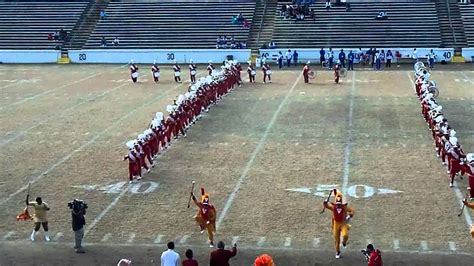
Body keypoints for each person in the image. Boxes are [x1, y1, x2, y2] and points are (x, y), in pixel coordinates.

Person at [323, 190, 355, 259]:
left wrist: (349, 215)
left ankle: (344, 242)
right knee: (336, 239)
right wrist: (325, 202)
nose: (338, 205)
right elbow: (326, 206)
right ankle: (337, 252)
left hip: (343, 223)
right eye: (337, 204)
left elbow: (352, 211)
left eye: (339, 204)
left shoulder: (344, 207)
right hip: (336, 224)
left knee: (345, 235)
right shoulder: (333, 207)